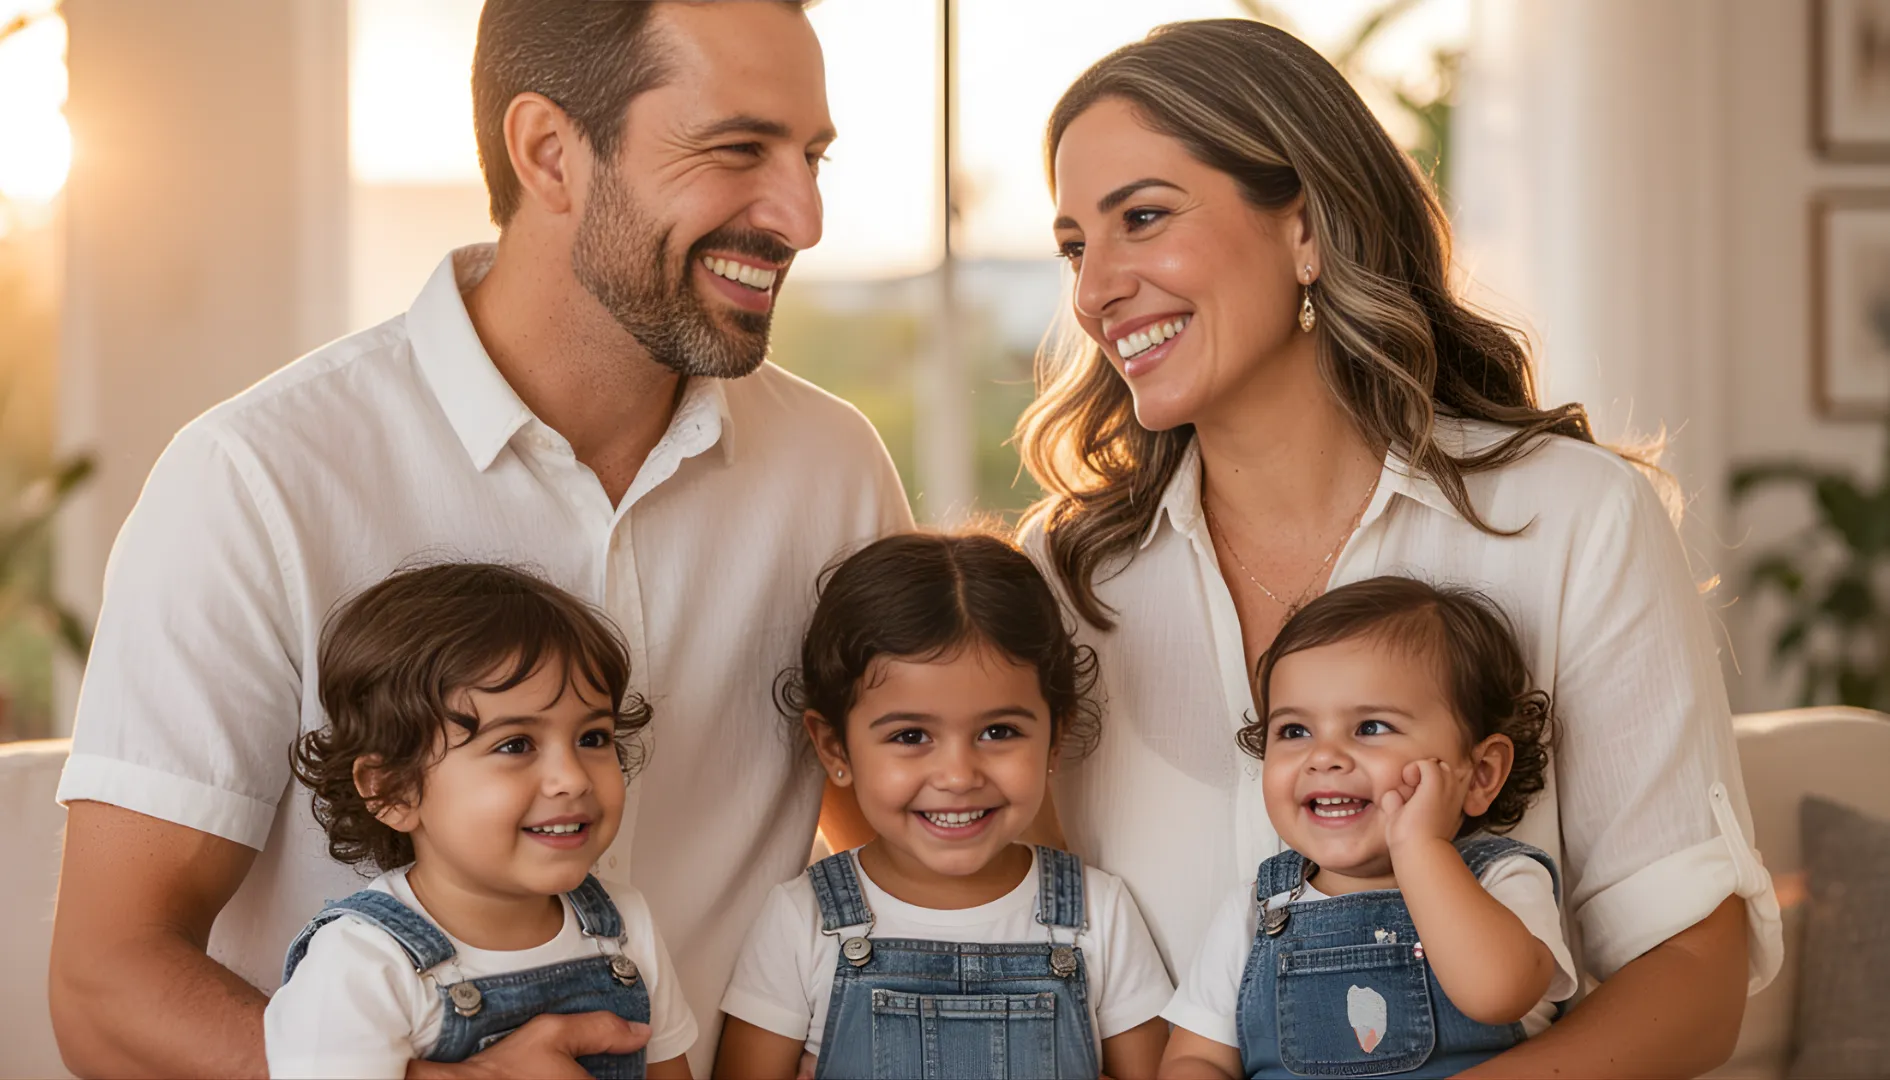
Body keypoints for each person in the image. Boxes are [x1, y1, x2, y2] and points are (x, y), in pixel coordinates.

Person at [49, 3, 910, 1076]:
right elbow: (104, 983)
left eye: (812, 155)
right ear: (549, 151)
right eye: (738, 149)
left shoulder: (832, 468)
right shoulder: (255, 478)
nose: (803, 216)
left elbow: (909, 836)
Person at [1017, 18, 1779, 1076]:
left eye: (1143, 218)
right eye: (1073, 247)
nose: (1094, 290)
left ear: (1308, 230)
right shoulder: (1068, 578)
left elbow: (1691, 981)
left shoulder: (1570, 520)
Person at [714, 533, 1173, 1080]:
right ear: (835, 747)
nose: (958, 776)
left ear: (1055, 739)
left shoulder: (1101, 916)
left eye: (998, 731)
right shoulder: (802, 922)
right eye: (911, 736)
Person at [265, 563, 695, 1079]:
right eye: (515, 744)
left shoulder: (625, 926)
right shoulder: (361, 964)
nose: (572, 778)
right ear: (394, 790)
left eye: (593, 738)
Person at [1160, 577, 1577, 1079]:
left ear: (1481, 773)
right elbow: (1196, 1057)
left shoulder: (1501, 882)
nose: (1326, 757)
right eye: (1295, 731)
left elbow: (1497, 995)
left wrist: (1420, 847)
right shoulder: (1258, 913)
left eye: (1372, 727)